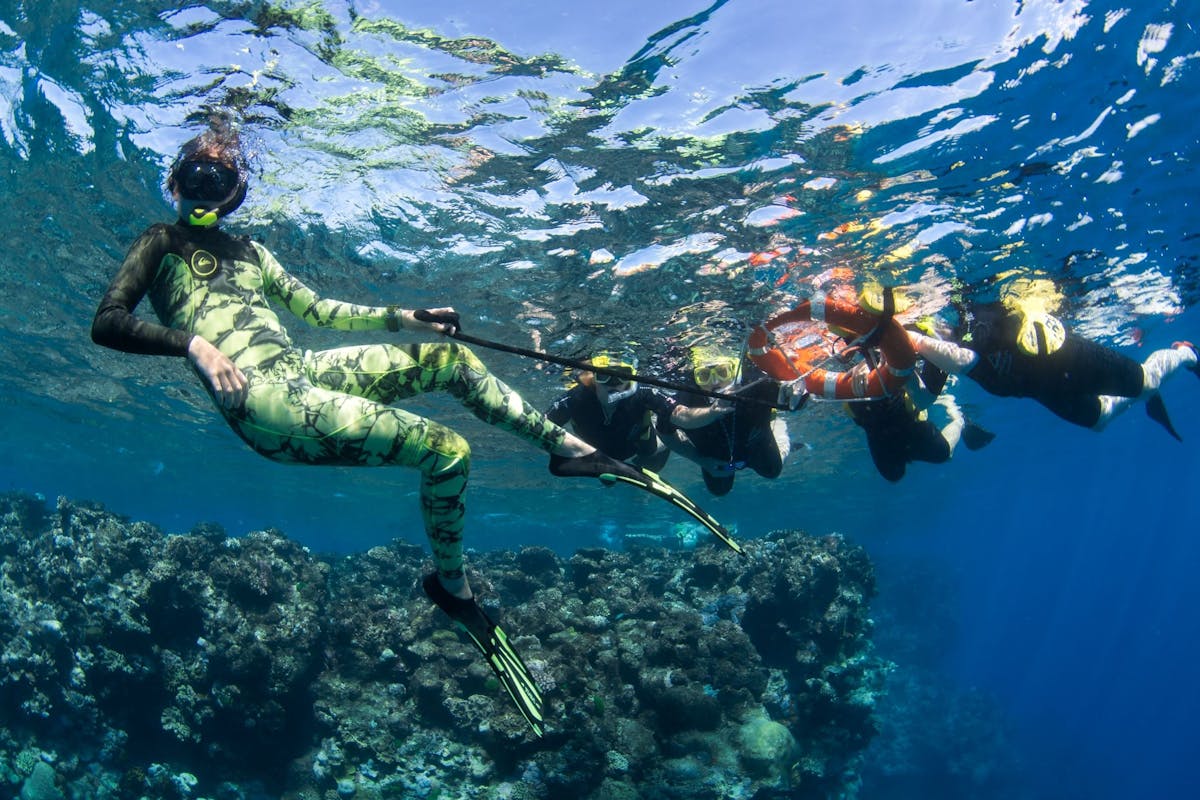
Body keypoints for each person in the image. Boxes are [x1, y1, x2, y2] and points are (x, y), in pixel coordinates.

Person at [89, 116, 725, 736]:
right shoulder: (160, 242)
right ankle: (455, 592)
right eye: (193, 178)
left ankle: (571, 451)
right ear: (174, 183)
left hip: (299, 370)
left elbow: (322, 311)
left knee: (449, 357)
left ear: (237, 193)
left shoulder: (252, 251)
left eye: (217, 181)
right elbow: (108, 320)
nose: (203, 194)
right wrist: (192, 345)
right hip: (261, 402)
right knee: (447, 450)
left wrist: (407, 318)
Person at [906, 279, 1199, 436]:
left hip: (1062, 356)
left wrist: (906, 339)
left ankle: (1186, 353)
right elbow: (924, 398)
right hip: (1040, 386)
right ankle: (1142, 393)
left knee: (1146, 382)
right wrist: (900, 367)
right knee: (1100, 419)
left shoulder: (968, 334)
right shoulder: (942, 353)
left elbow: (954, 354)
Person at [658, 347, 791, 496]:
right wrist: (700, 460)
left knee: (773, 471)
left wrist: (794, 393)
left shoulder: (757, 384)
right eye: (704, 375)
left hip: (758, 445)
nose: (714, 382)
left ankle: (778, 424)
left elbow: (791, 395)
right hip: (712, 457)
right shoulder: (687, 393)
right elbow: (665, 432)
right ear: (695, 378)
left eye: (722, 372)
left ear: (734, 371)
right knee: (718, 490)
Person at [546, 350, 675, 471]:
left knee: (650, 453)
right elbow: (543, 425)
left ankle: (663, 435)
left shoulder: (642, 392)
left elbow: (676, 411)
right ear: (594, 377)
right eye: (604, 375)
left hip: (637, 444)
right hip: (597, 449)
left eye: (622, 375)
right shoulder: (575, 397)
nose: (613, 382)